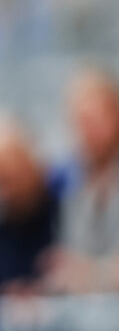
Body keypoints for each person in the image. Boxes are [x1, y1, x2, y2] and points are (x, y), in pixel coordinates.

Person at [44, 67, 119, 293]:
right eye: (80, 122)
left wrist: (95, 273)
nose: (87, 131)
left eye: (94, 119)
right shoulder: (74, 185)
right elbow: (71, 264)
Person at [0, 117, 61, 291]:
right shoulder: (4, 221)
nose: (9, 191)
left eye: (13, 177)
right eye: (3, 180)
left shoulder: (64, 210)